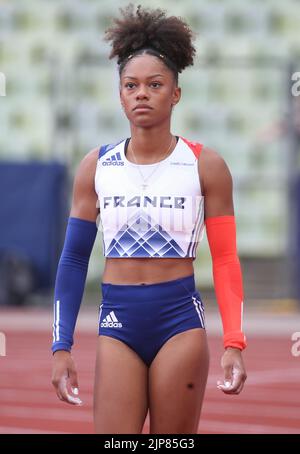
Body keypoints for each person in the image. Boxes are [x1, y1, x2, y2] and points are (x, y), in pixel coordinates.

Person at [51, 4, 247, 434]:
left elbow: (227, 259)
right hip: (117, 321)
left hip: (179, 320)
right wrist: (60, 346)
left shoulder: (205, 165)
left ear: (175, 93)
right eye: (131, 85)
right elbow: (72, 261)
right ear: (120, 95)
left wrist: (234, 342)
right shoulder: (96, 166)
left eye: (155, 84)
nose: (142, 93)